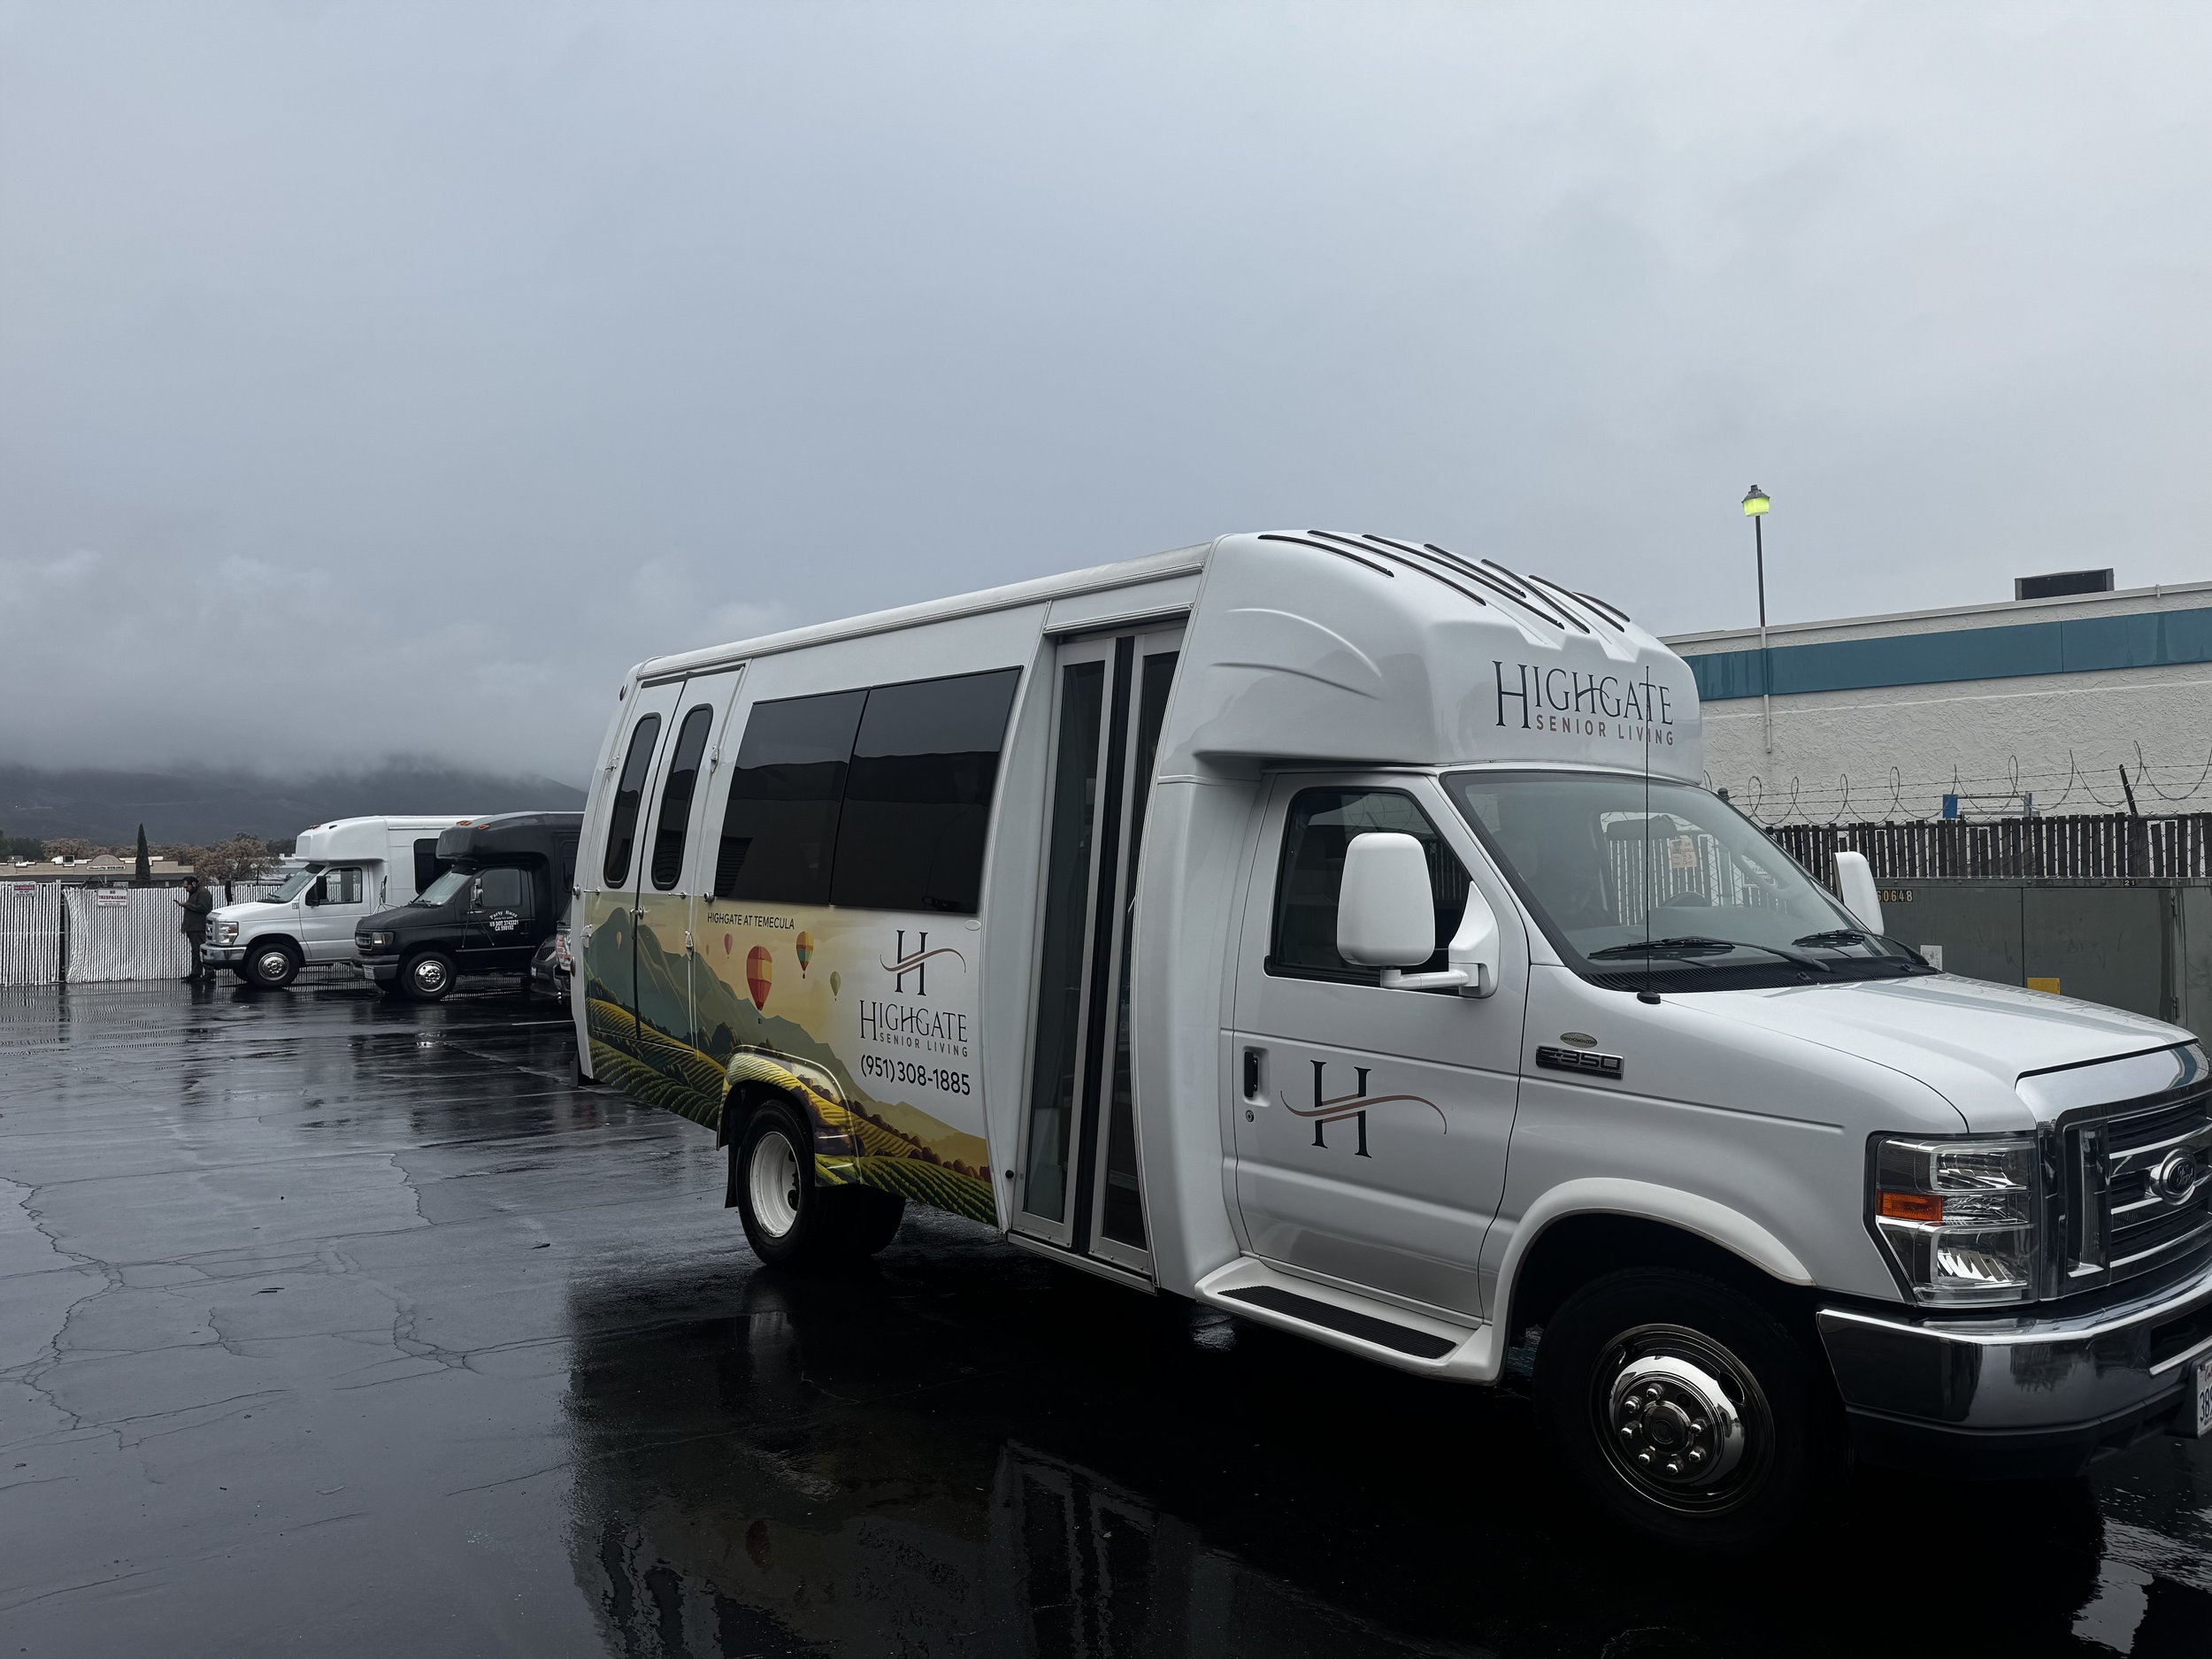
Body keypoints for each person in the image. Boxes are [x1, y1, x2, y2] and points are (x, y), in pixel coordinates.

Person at [174, 875, 214, 982]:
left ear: (193, 884)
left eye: (187, 887)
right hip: (193, 928)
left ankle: (209, 972)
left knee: (201, 951)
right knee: (196, 951)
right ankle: (196, 973)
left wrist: (186, 905)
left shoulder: (203, 893)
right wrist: (185, 926)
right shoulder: (195, 893)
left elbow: (203, 908)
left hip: (199, 927)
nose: (186, 889)